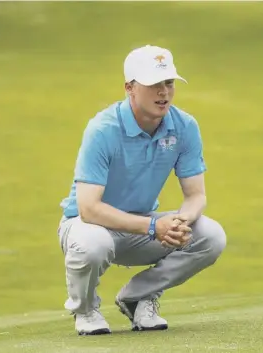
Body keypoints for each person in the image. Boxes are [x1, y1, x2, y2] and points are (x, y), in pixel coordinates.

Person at [57, 44, 227, 335]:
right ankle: (85, 311)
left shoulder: (184, 126)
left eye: (169, 83)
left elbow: (196, 195)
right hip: (87, 226)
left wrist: (179, 222)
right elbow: (88, 208)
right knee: (93, 245)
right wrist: (153, 226)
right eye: (153, 84)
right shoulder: (103, 129)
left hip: (142, 227)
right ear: (130, 88)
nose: (164, 92)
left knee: (210, 236)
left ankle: (138, 298)